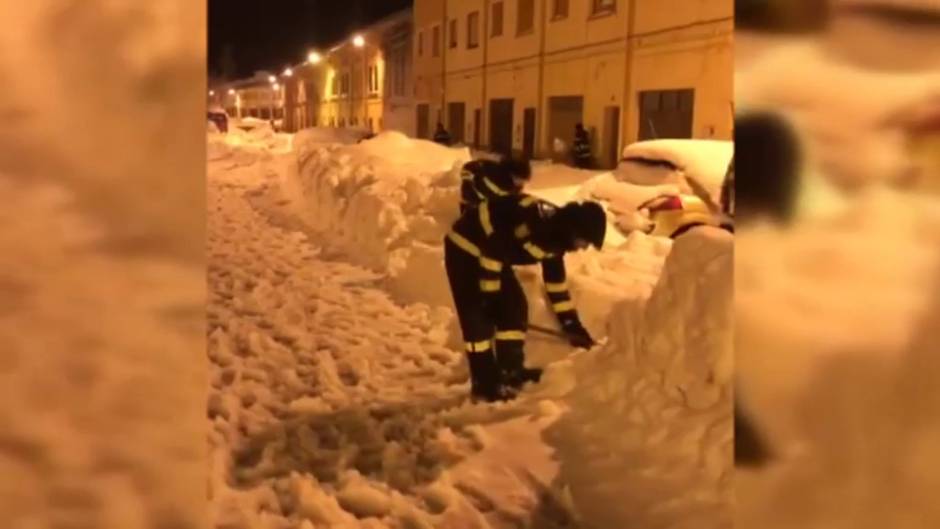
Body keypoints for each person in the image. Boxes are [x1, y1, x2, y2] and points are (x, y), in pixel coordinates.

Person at [444, 194, 605, 401]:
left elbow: (556, 285)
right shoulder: (535, 225)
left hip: (494, 255)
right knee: (477, 319)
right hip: (465, 247)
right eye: (585, 241)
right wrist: (490, 297)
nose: (583, 247)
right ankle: (484, 384)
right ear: (575, 230)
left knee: (514, 307)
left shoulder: (556, 237)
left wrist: (571, 325)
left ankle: (510, 371)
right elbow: (493, 250)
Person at [459, 157, 531, 213]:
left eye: (524, 181)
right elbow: (468, 167)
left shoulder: (515, 189)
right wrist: (467, 182)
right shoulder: (492, 171)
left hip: (487, 208)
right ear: (512, 174)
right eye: (520, 179)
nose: (522, 183)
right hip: (472, 202)